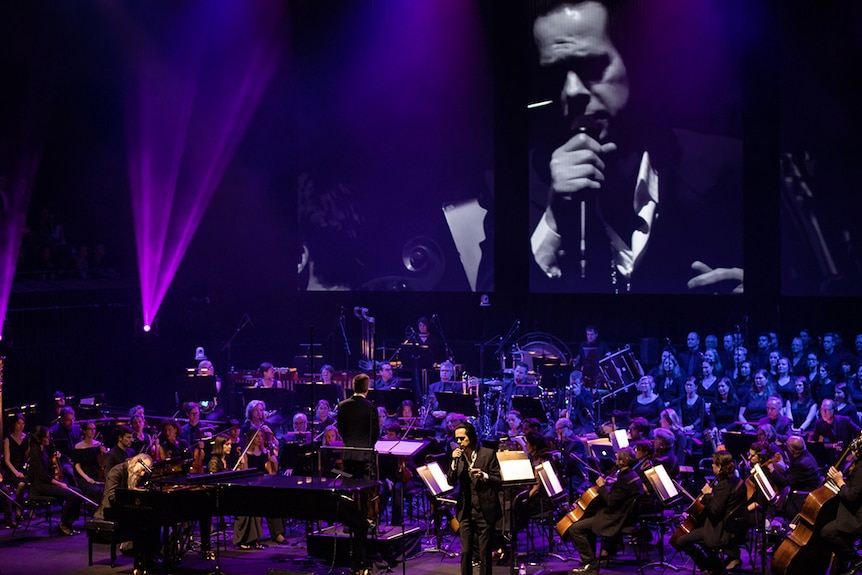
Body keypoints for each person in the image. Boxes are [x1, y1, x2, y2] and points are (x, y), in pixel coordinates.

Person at [563, 446, 643, 574]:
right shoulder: (631, 475)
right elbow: (620, 493)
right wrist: (612, 483)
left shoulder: (624, 479)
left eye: (617, 459)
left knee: (575, 528)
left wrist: (601, 487)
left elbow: (611, 501)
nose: (615, 462)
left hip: (614, 519)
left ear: (624, 461)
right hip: (622, 515)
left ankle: (590, 563)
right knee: (587, 526)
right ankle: (591, 559)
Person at [674, 451, 745, 575]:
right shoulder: (737, 481)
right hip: (732, 526)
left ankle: (708, 566)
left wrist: (707, 495)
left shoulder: (723, 486)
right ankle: (714, 566)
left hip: (718, 529)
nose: (712, 466)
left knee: (681, 541)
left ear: (719, 466)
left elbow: (715, 511)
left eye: (713, 464)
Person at [336, 373, 379, 573]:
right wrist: (367, 446)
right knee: (366, 491)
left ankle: (349, 523)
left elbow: (341, 429)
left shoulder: (343, 405)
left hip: (348, 453)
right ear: (367, 387)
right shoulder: (370, 407)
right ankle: (365, 522)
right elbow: (375, 431)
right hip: (365, 454)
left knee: (348, 491)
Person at [447, 421, 502, 575]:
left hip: (485, 509)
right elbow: (451, 481)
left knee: (485, 552)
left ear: (470, 437)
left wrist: (484, 476)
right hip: (465, 510)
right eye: (457, 439)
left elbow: (498, 481)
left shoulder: (487, 454)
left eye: (462, 438)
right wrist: (453, 462)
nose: (459, 442)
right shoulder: (458, 458)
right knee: (466, 551)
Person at [28, 426, 82, 536]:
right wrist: (59, 483)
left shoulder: (43, 450)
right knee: (71, 496)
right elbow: (42, 476)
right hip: (40, 487)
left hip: (46, 484)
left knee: (78, 492)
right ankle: (64, 524)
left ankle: (70, 522)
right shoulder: (35, 452)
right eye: (47, 437)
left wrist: (56, 457)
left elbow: (49, 469)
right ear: (40, 439)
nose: (49, 439)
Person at [821, 436, 862, 575]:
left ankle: (857, 560)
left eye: (854, 451)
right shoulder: (858, 465)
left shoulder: (861, 468)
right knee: (840, 559)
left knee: (827, 532)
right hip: (851, 511)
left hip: (856, 517)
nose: (851, 453)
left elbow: (851, 496)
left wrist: (839, 482)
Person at [72, 421, 106, 504]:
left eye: (94, 429)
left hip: (97, 474)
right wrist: (87, 478)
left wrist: (104, 453)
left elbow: (103, 462)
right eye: (90, 429)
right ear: (84, 431)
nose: (93, 431)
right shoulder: (78, 446)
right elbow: (77, 465)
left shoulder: (98, 445)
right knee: (95, 491)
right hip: (84, 475)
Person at [3, 413, 28, 521]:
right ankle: (18, 508)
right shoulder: (8, 439)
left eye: (23, 424)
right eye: (19, 423)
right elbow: (7, 460)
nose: (21, 426)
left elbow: (28, 456)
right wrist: (16, 473)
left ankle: (30, 509)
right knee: (21, 484)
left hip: (24, 466)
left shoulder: (26, 437)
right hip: (12, 468)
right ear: (14, 424)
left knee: (34, 480)